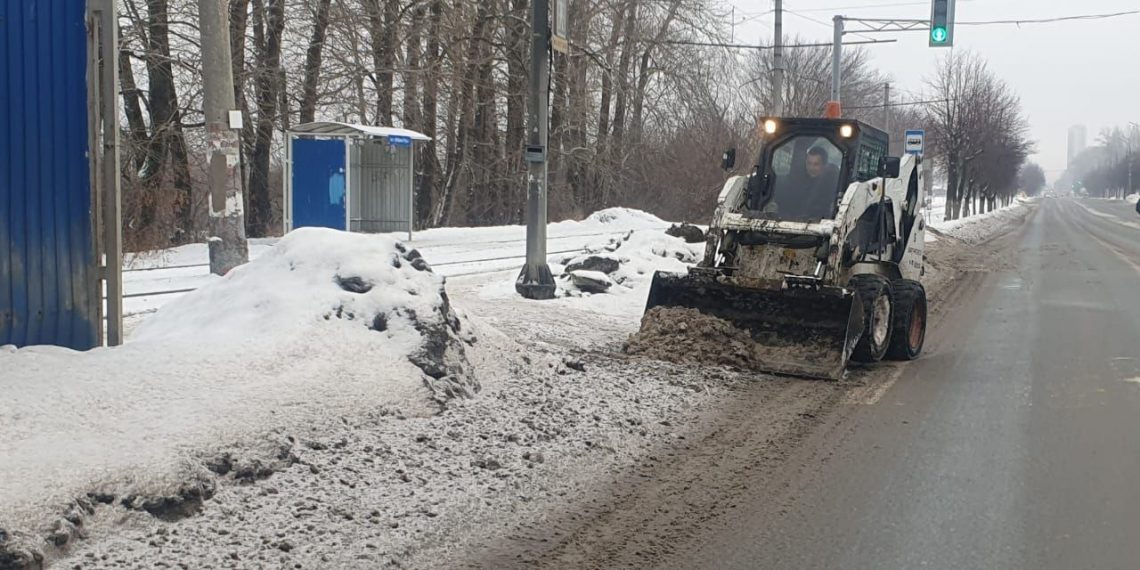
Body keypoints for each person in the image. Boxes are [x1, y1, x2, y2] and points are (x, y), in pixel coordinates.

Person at [763, 145, 841, 219]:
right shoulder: (798, 183)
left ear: (824, 165)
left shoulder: (832, 186)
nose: (811, 168)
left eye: (816, 164)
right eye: (809, 163)